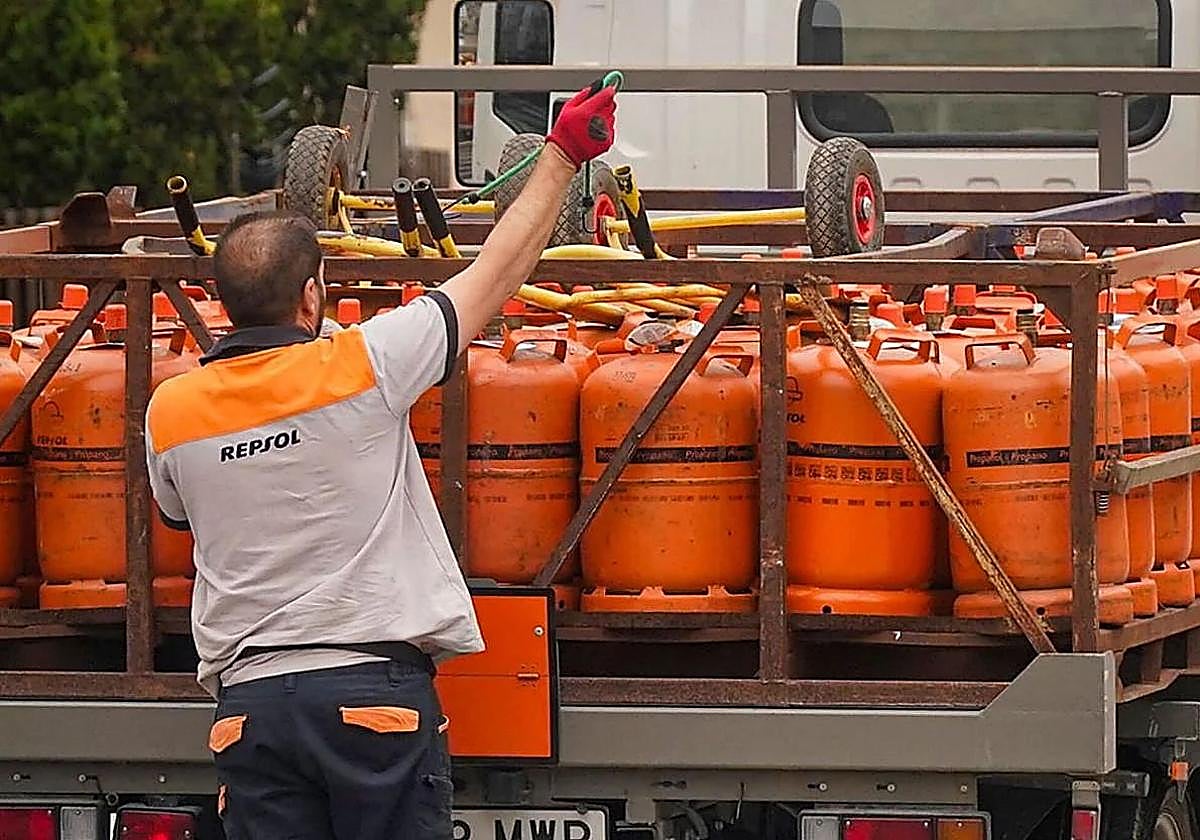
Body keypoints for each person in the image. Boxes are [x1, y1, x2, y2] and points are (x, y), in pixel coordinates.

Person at [144, 81, 617, 840]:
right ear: (312, 298)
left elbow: (175, 516)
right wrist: (561, 154)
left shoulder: (170, 411)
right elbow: (495, 274)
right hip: (370, 696)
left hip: (251, 708)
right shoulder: (364, 364)